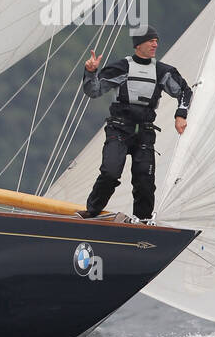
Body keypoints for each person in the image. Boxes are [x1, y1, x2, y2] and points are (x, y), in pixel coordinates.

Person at [79, 27, 192, 222]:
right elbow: (93, 90)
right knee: (110, 172)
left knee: (144, 181)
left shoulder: (162, 71)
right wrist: (90, 71)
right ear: (138, 45)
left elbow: (185, 91)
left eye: (156, 41)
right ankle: (92, 211)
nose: (155, 44)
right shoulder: (121, 67)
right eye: (150, 41)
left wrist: (180, 115)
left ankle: (142, 222)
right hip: (120, 129)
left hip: (145, 133)